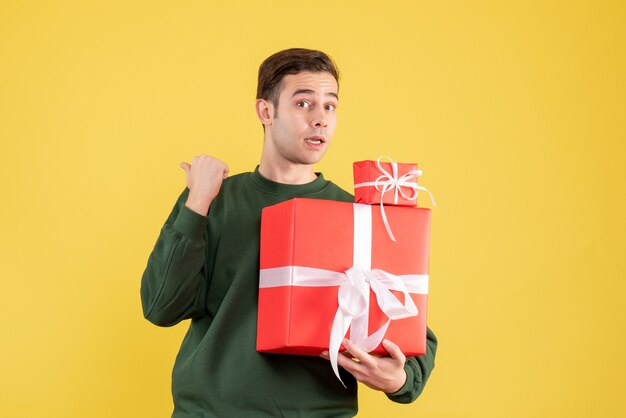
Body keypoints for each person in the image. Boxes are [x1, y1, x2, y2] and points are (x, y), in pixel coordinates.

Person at [140, 48, 437, 417]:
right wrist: (197, 201)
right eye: (303, 103)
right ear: (266, 111)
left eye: (330, 106)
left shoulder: (360, 215)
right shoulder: (212, 199)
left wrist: (400, 379)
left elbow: (413, 328)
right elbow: (160, 307)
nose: (320, 120)